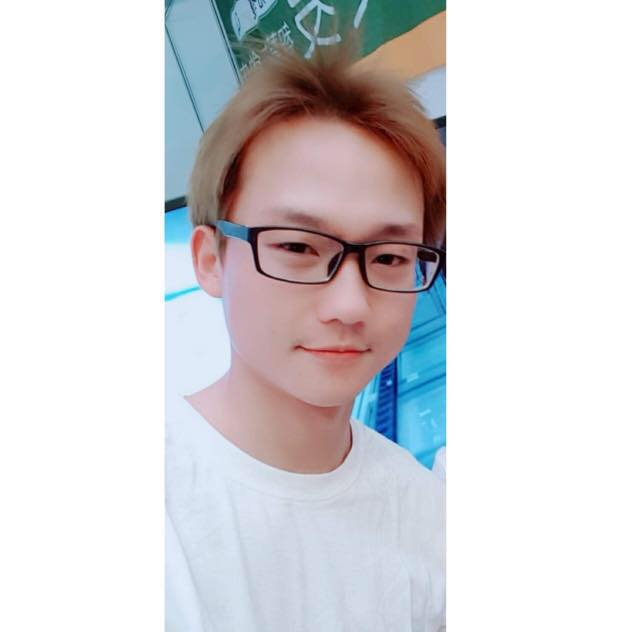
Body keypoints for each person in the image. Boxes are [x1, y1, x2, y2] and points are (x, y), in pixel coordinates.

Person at [166, 43, 446, 632]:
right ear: (211, 259)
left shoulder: (429, 520)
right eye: (297, 246)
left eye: (390, 257)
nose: (350, 305)